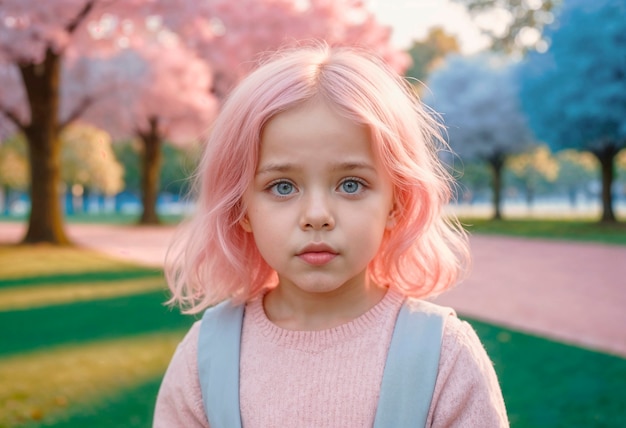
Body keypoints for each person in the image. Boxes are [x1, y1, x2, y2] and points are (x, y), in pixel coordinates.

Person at [153, 42, 508, 427]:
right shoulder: (205, 359)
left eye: (351, 185)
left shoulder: (444, 356)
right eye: (283, 187)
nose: (317, 216)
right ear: (242, 208)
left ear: (396, 202)